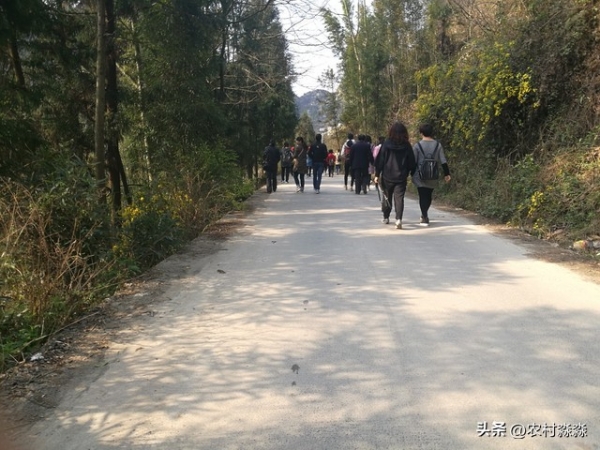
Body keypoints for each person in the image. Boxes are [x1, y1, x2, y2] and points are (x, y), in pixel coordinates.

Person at [374, 122, 416, 229]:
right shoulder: (407, 145)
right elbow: (411, 161)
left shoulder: (386, 144)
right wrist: (411, 172)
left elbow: (380, 160)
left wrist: (377, 174)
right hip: (401, 176)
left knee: (387, 197)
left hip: (387, 176)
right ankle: (398, 219)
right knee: (399, 198)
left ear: (391, 132)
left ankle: (386, 217)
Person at [412, 123, 451, 226]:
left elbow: (413, 161)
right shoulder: (438, 145)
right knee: (428, 195)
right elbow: (443, 160)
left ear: (421, 133)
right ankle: (424, 214)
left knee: (422, 195)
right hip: (433, 174)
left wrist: (410, 173)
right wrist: (447, 173)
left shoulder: (417, 146)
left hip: (419, 175)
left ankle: (424, 216)